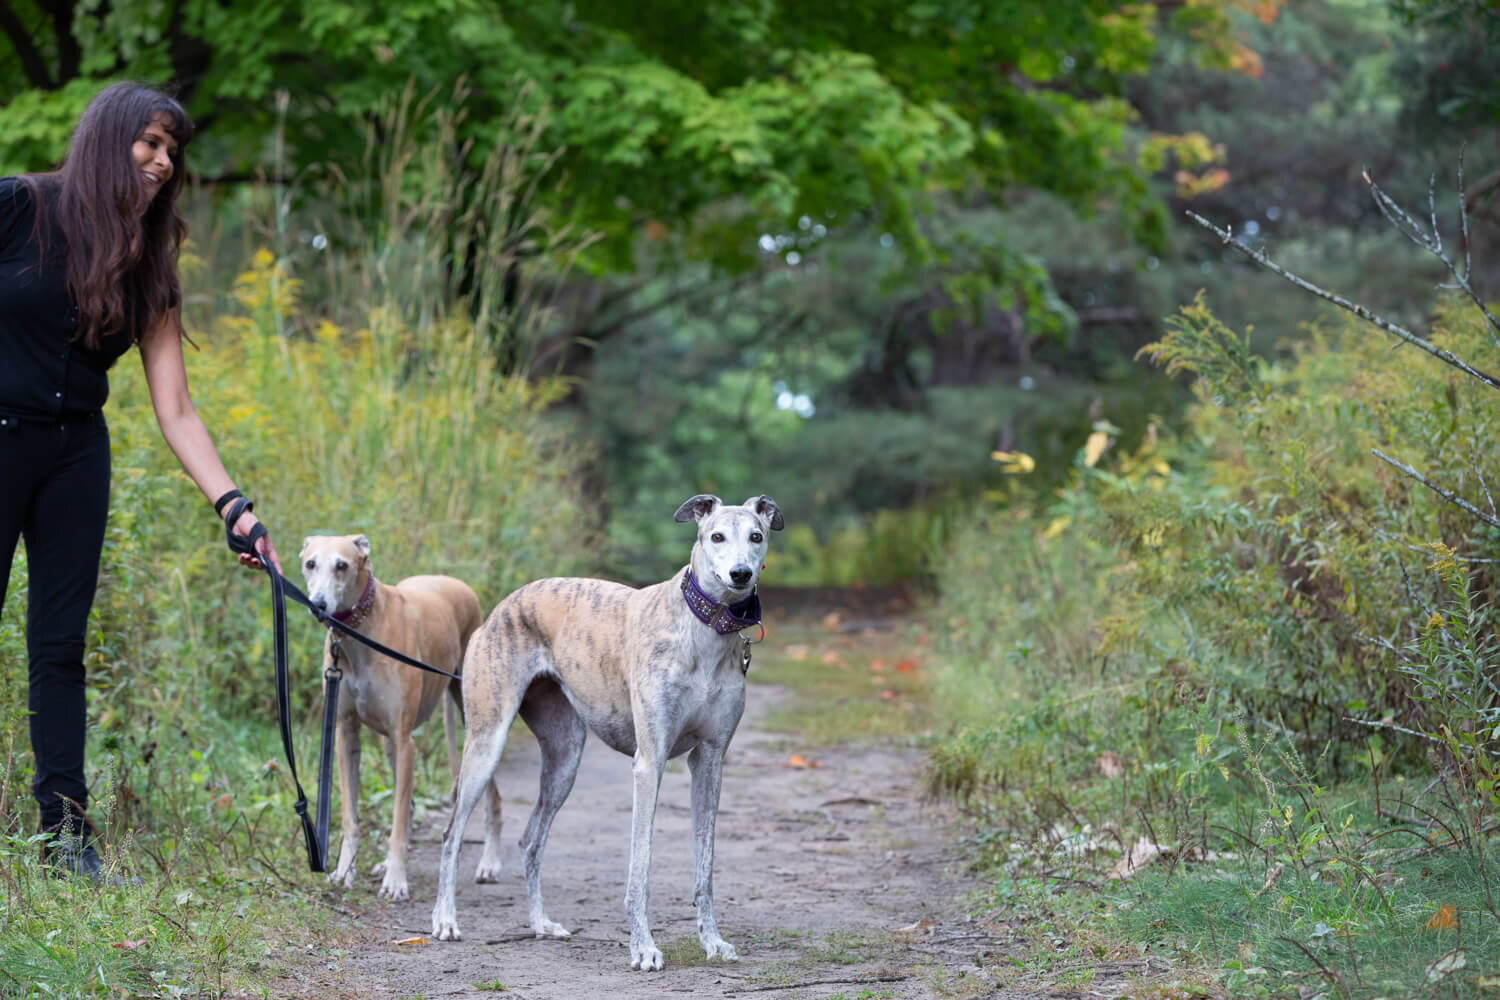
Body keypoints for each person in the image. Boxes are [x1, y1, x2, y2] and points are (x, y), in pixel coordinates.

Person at [0, 82, 282, 882]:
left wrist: (235, 509)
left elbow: (178, 409)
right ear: (107, 138)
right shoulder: (18, 207)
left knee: (60, 648)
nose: (162, 162)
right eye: (149, 142)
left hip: (73, 460)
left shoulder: (147, 263)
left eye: (172, 150)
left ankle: (66, 837)